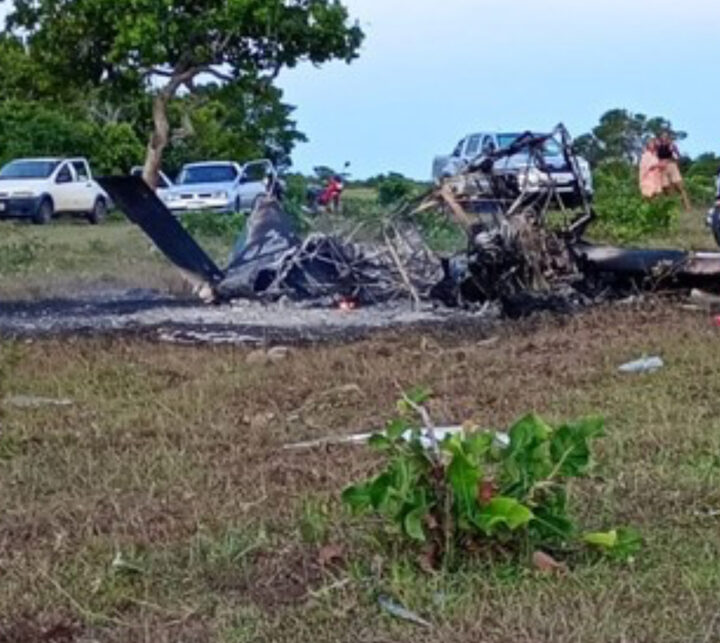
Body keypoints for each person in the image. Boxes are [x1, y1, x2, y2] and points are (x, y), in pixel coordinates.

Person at [656, 132, 691, 211]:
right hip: (662, 168)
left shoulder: (672, 145)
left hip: (671, 166)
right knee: (666, 188)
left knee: (680, 187)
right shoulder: (658, 146)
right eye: (662, 136)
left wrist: (674, 161)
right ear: (660, 138)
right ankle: (673, 208)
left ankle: (687, 206)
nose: (664, 137)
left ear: (668, 137)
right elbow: (656, 156)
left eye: (665, 136)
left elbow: (678, 155)